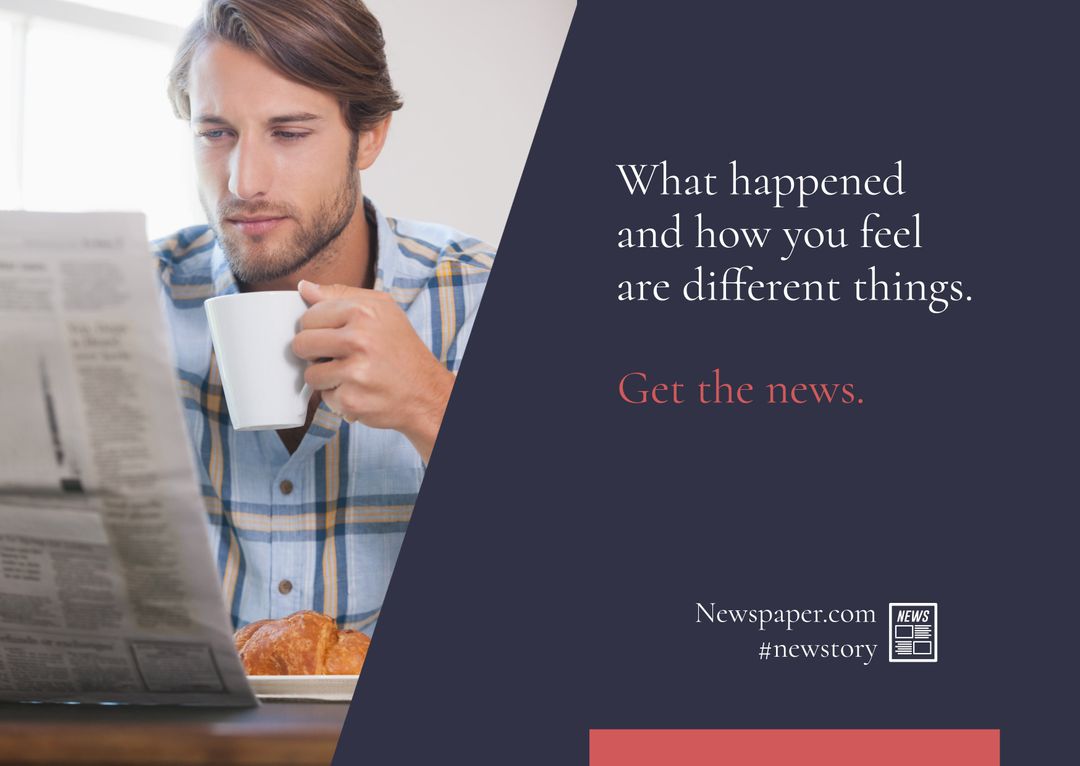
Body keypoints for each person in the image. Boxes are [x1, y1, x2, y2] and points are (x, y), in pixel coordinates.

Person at [153, 0, 493, 634]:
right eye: (215, 132)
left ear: (369, 136)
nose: (243, 180)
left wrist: (428, 402)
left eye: (288, 132)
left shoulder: (477, 291)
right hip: (182, 732)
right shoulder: (134, 298)